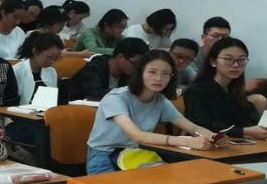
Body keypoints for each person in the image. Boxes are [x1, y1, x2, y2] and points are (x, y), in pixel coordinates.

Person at [86, 50, 220, 173]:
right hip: (104, 156)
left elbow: (193, 128)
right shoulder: (116, 98)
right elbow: (137, 136)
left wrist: (214, 138)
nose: (158, 78)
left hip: (135, 154)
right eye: (152, 72)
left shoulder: (160, 100)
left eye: (165, 74)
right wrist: (185, 141)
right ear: (140, 72)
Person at [184, 37, 267, 139]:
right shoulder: (196, 91)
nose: (236, 65)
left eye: (241, 60)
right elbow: (201, 127)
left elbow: (249, 121)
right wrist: (244, 131)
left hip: (237, 143)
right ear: (213, 61)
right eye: (228, 59)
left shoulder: (235, 90)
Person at [68, 38, 149, 101]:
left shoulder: (128, 73)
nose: (138, 68)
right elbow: (94, 94)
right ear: (121, 57)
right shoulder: (94, 68)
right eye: (135, 64)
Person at [13, 32, 63, 105]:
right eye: (50, 57)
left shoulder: (51, 72)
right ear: (35, 51)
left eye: (56, 58)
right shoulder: (16, 71)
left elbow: (52, 100)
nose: (52, 61)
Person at [184, 16, 231, 86]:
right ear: (203, 37)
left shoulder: (232, 59)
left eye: (225, 37)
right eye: (216, 36)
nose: (220, 40)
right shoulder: (191, 56)